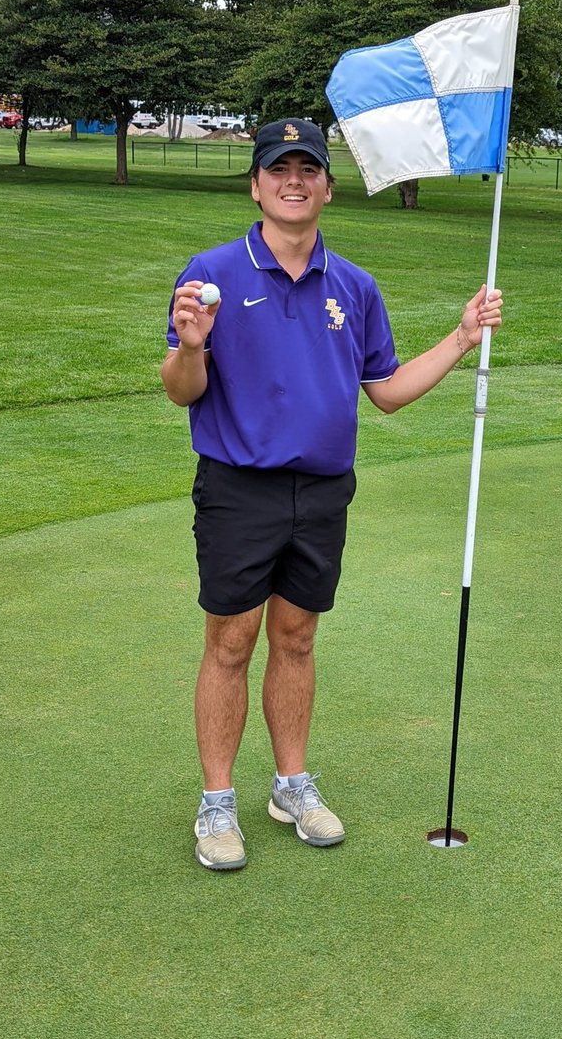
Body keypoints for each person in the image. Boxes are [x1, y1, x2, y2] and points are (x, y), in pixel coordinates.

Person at [162, 118, 502, 871]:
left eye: (307, 169)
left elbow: (384, 391)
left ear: (326, 186)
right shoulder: (213, 273)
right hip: (237, 489)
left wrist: (459, 337)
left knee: (298, 638)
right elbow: (183, 391)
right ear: (255, 185)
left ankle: (291, 785)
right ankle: (217, 804)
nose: (294, 181)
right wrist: (190, 345)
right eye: (278, 169)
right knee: (230, 643)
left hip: (321, 493)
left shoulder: (354, 285)